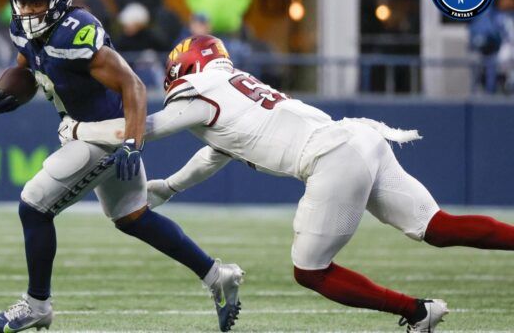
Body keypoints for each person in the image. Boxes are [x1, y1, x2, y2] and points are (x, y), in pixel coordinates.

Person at [60, 34, 514, 332]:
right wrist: (169, 188)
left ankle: (418, 313)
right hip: (360, 138)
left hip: (332, 158)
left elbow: (146, 128)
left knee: (310, 271)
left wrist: (80, 130)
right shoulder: (234, 85)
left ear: (183, 69)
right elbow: (217, 151)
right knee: (436, 226)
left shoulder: (199, 93)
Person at [0, 0, 243, 333]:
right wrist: (5, 87)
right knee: (134, 218)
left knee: (34, 205)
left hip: (105, 134)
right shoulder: (24, 28)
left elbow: (133, 84)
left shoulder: (76, 32)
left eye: (36, 2)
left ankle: (37, 305)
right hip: (81, 128)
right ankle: (218, 275)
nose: (26, 10)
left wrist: (133, 145)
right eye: (21, 2)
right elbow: (28, 64)